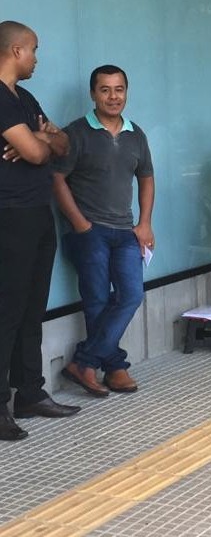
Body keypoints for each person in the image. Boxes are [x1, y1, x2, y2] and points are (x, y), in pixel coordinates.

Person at [55, 65, 154, 398]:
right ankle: (114, 367)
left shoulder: (136, 133)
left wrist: (144, 223)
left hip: (125, 230)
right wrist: (79, 223)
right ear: (93, 93)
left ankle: (84, 362)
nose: (113, 96)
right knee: (97, 300)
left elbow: (146, 178)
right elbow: (56, 180)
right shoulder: (76, 133)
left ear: (127, 91)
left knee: (131, 295)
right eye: (105, 90)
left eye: (119, 89)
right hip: (89, 231)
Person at [0, 21, 79, 440]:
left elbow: (61, 144)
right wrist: (39, 140)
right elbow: (35, 152)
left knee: (33, 308)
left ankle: (30, 392)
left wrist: (41, 138)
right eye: (33, 50)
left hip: (36, 213)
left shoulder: (24, 98)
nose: (36, 58)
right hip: (9, 217)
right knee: (7, 311)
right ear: (15, 51)